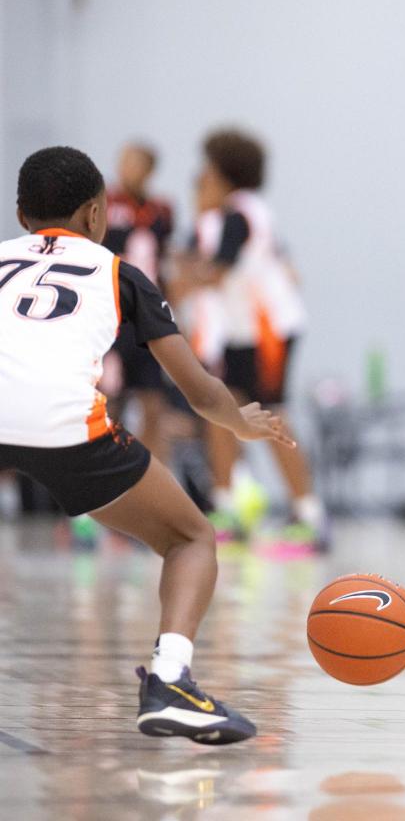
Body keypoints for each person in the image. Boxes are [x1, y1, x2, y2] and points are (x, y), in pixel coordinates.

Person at [0, 146, 291, 743]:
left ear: (22, 215)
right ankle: (170, 682)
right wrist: (240, 423)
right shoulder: (119, 272)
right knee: (191, 538)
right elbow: (200, 391)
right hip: (66, 430)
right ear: (95, 214)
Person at [181, 129, 325, 550]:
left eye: (209, 166)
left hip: (268, 332)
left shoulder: (239, 214)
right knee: (222, 412)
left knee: (272, 413)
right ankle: (225, 507)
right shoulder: (236, 214)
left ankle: (309, 513)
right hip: (240, 330)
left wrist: (170, 280)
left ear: (225, 171)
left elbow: (216, 272)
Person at [102, 141, 176, 461]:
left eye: (134, 162)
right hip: (113, 315)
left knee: (153, 400)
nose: (126, 169)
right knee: (109, 397)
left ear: (148, 170)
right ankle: (106, 471)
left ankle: (152, 472)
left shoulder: (162, 210)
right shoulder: (105, 205)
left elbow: (164, 262)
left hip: (146, 315)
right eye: (124, 161)